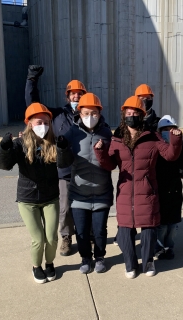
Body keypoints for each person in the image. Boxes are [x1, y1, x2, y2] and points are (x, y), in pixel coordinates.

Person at [94, 96, 182, 279]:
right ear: (123, 115)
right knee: (125, 230)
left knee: (149, 228)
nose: (131, 116)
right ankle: (130, 264)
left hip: (147, 191)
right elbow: (109, 165)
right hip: (125, 192)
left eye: (135, 113)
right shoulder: (117, 138)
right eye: (128, 113)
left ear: (142, 116)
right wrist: (100, 152)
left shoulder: (152, 137)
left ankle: (148, 262)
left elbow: (170, 155)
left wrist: (175, 140)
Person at [0, 103, 59, 284]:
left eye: (46, 122)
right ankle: (37, 267)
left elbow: (67, 162)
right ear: (29, 124)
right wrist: (3, 147)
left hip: (50, 197)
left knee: (51, 238)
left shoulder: (54, 142)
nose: (43, 125)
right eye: (39, 122)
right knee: (38, 239)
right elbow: (2, 164)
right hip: (28, 200)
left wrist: (65, 148)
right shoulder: (20, 144)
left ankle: (50, 263)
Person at [26, 65, 87, 256]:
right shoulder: (58, 115)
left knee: (86, 204)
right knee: (66, 207)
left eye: (79, 94)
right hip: (65, 171)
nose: (76, 97)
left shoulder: (89, 115)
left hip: (86, 169)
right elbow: (32, 105)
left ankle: (88, 235)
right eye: (73, 94)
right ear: (67, 96)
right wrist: (32, 80)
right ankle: (67, 237)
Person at [56, 93, 113, 274]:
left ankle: (100, 257)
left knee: (99, 231)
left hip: (102, 192)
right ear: (79, 113)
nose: (90, 117)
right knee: (81, 231)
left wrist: (104, 151)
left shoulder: (106, 133)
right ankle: (85, 258)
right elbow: (62, 163)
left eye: (94, 113)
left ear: (100, 113)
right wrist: (62, 148)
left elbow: (113, 162)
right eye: (86, 113)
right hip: (79, 194)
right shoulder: (72, 133)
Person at [111, 84, 161, 246]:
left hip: (152, 172)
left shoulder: (157, 123)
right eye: (141, 98)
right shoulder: (121, 129)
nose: (145, 101)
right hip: (131, 177)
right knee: (129, 207)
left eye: (148, 98)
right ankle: (125, 235)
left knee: (149, 213)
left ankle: (155, 244)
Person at [154, 115, 183, 260]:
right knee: (161, 225)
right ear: (159, 131)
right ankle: (158, 248)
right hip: (159, 193)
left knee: (172, 226)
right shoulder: (156, 148)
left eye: (172, 129)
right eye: (165, 129)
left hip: (175, 193)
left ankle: (169, 247)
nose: (169, 132)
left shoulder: (182, 150)